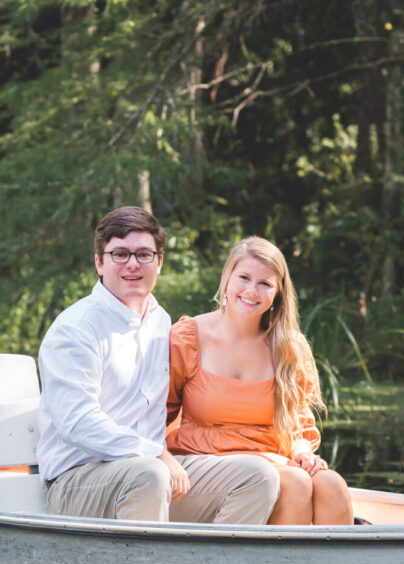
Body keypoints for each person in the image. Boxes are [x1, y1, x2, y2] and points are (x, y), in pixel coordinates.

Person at [37, 207, 280, 525]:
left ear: (159, 262)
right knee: (149, 474)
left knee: (258, 475)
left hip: (151, 476)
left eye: (144, 254)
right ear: (99, 262)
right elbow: (77, 422)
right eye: (120, 254)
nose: (133, 264)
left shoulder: (159, 321)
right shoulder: (76, 328)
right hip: (77, 483)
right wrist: (155, 453)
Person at [167, 236, 354, 526]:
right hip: (204, 462)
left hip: (274, 458)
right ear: (227, 278)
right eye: (244, 277)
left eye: (265, 284)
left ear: (278, 292)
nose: (251, 291)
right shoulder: (187, 337)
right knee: (295, 483)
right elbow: (157, 414)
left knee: (332, 486)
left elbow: (299, 425)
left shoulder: (289, 347)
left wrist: (304, 453)